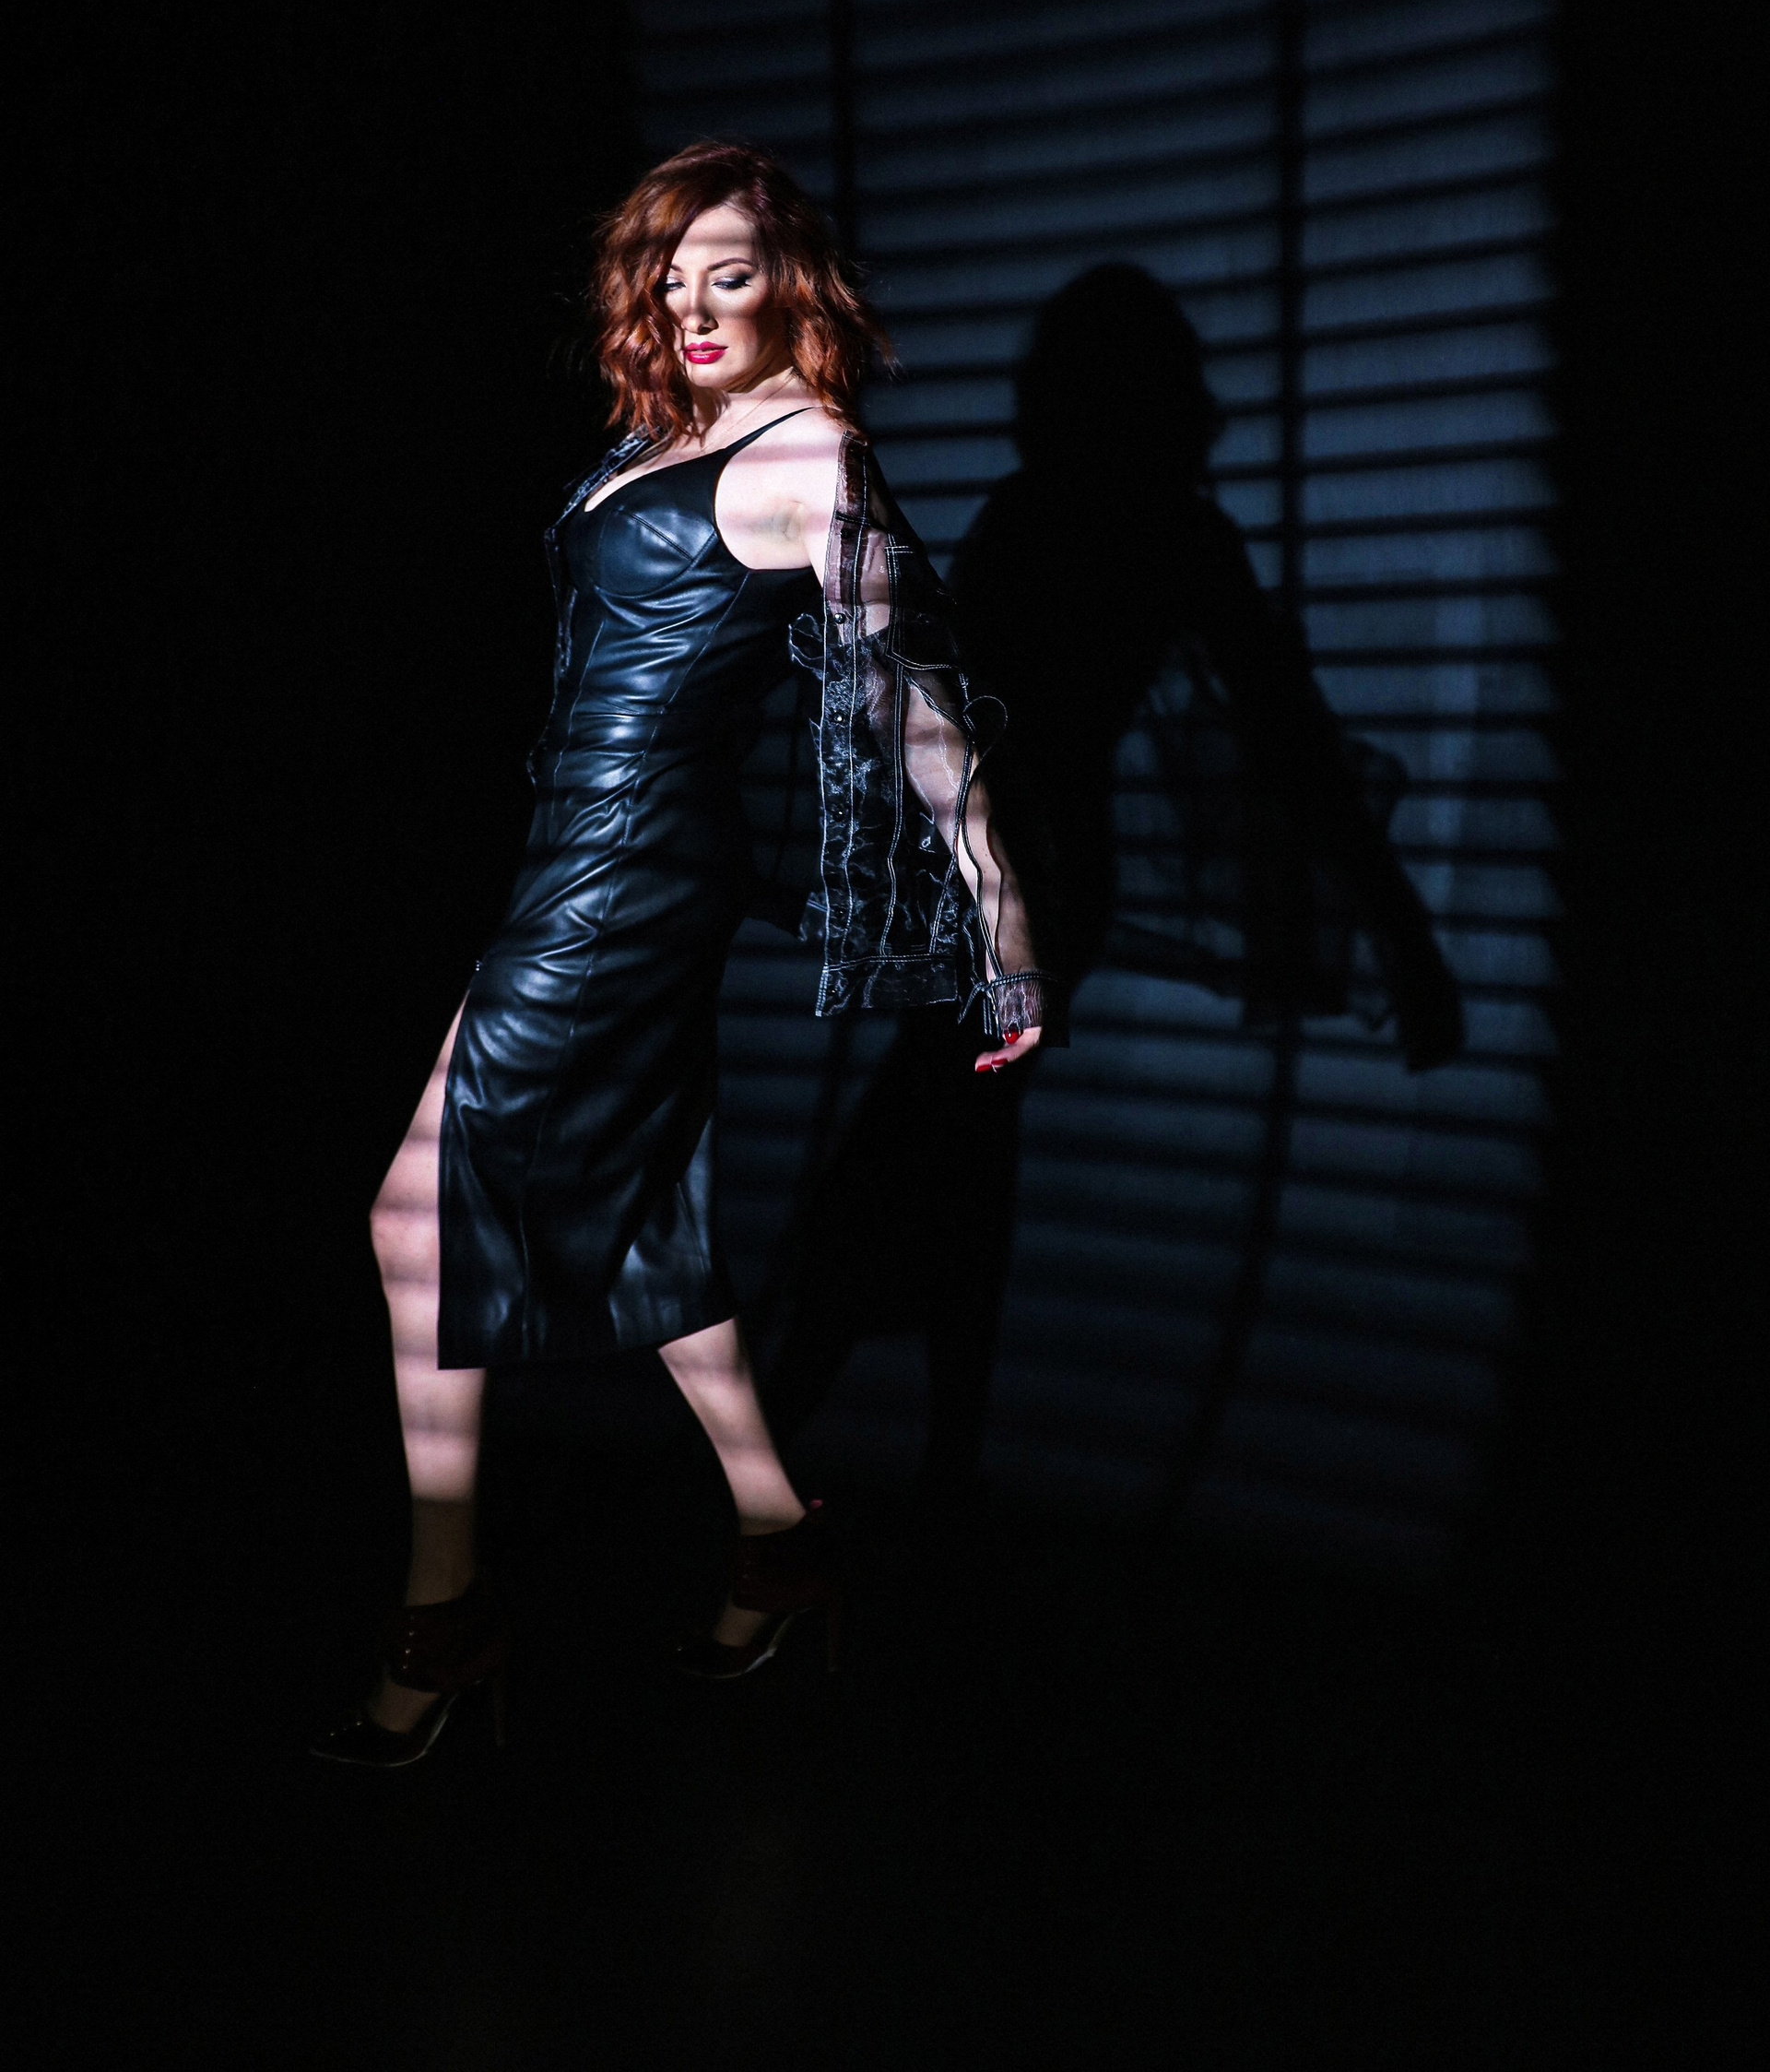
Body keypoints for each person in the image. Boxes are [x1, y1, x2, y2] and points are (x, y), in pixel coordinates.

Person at [313, 143, 1051, 1767]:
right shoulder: (668, 436)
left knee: (410, 1219)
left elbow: (914, 709)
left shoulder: (815, 454)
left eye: (732, 274)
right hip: (576, 853)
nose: (695, 305)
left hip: (632, 876)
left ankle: (444, 1613)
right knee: (640, 1222)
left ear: (796, 287)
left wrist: (1005, 935)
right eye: (671, 276)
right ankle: (780, 1539)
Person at [760, 262, 1462, 1510]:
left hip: (984, 885)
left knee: (918, 1162)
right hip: (1044, 884)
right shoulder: (1173, 539)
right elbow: (1292, 747)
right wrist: (1403, 937)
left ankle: (809, 1463)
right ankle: (916, 1463)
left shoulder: (1036, 516)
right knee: (957, 1159)